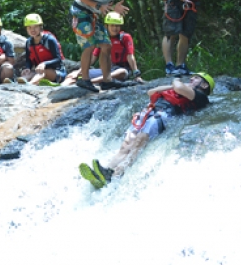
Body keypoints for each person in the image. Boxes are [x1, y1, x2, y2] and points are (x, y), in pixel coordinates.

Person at [79, 72, 214, 189]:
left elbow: (178, 87)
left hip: (163, 116)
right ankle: (107, 171)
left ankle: (116, 176)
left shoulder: (200, 96)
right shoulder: (180, 89)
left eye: (196, 78)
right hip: (150, 113)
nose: (191, 79)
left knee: (138, 142)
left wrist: (176, 80)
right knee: (126, 145)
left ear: (204, 85)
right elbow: (152, 92)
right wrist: (173, 85)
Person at [71, 0, 132, 92]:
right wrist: (99, 6)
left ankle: (107, 80)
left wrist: (114, 9)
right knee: (90, 45)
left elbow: (105, 6)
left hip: (94, 14)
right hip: (80, 12)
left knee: (106, 45)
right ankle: (85, 79)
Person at [62, 12, 143, 85]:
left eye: (117, 25)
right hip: (108, 69)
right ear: (106, 26)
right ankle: (62, 87)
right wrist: (79, 72)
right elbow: (93, 58)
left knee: (122, 72)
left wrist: (136, 73)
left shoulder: (125, 37)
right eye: (112, 25)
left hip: (123, 69)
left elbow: (130, 56)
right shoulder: (103, 39)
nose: (115, 28)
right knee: (73, 74)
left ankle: (92, 81)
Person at [20, 13, 66, 86]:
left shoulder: (49, 40)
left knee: (42, 72)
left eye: (35, 27)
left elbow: (58, 59)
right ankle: (21, 83)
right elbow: (29, 60)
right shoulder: (29, 42)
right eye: (29, 27)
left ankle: (30, 85)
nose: (32, 30)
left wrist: (44, 64)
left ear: (40, 27)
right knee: (26, 75)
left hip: (57, 73)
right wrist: (27, 68)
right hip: (39, 72)